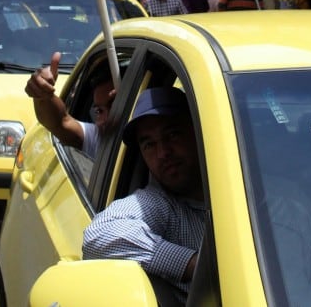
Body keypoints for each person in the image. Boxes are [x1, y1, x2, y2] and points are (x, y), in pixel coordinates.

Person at [82, 86, 206, 305]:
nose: (163, 153)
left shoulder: (252, 194)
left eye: (172, 135)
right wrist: (193, 264)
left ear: (197, 131)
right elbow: (99, 233)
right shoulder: (161, 204)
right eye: (149, 144)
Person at [25, 51, 116, 159]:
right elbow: (61, 122)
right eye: (99, 111)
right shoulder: (99, 137)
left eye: (114, 106)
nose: (104, 120)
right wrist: (42, 96)